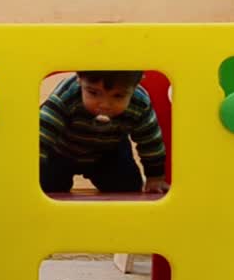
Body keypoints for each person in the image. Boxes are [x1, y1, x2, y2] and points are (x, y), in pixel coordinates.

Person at [38, 70, 169, 195]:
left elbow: (150, 141)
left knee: (128, 187)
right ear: (79, 78)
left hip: (108, 152)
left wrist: (155, 177)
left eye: (118, 96)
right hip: (61, 152)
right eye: (93, 93)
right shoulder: (66, 96)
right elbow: (41, 135)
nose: (105, 105)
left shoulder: (139, 103)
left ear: (135, 85)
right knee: (47, 185)